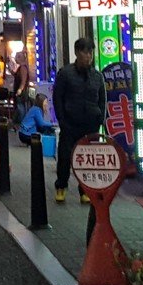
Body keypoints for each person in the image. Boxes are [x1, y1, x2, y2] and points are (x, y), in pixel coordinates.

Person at [51, 38, 106, 204]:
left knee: (88, 158)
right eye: (84, 52)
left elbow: (102, 99)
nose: (88, 56)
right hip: (70, 123)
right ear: (76, 52)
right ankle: (61, 186)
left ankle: (85, 190)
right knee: (65, 157)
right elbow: (57, 98)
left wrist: (100, 118)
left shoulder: (97, 76)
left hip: (90, 124)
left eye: (90, 52)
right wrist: (62, 120)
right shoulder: (65, 73)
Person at [11, 51, 32, 123]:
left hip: (21, 92)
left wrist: (20, 90)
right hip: (19, 90)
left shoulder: (23, 68)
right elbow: (17, 76)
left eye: (18, 57)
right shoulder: (20, 67)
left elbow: (23, 81)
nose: (16, 58)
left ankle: (21, 122)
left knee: (20, 108)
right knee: (19, 107)